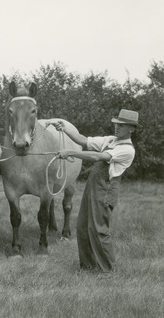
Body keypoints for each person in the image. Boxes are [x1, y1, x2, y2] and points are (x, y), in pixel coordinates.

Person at [51, 109, 140, 273]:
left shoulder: (128, 149)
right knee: (83, 227)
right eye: (116, 124)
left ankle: (107, 271)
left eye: (121, 125)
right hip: (92, 188)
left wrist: (69, 152)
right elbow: (83, 140)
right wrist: (64, 127)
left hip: (105, 190)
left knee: (98, 229)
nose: (117, 127)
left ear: (131, 129)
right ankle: (87, 267)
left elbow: (97, 157)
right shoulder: (111, 140)